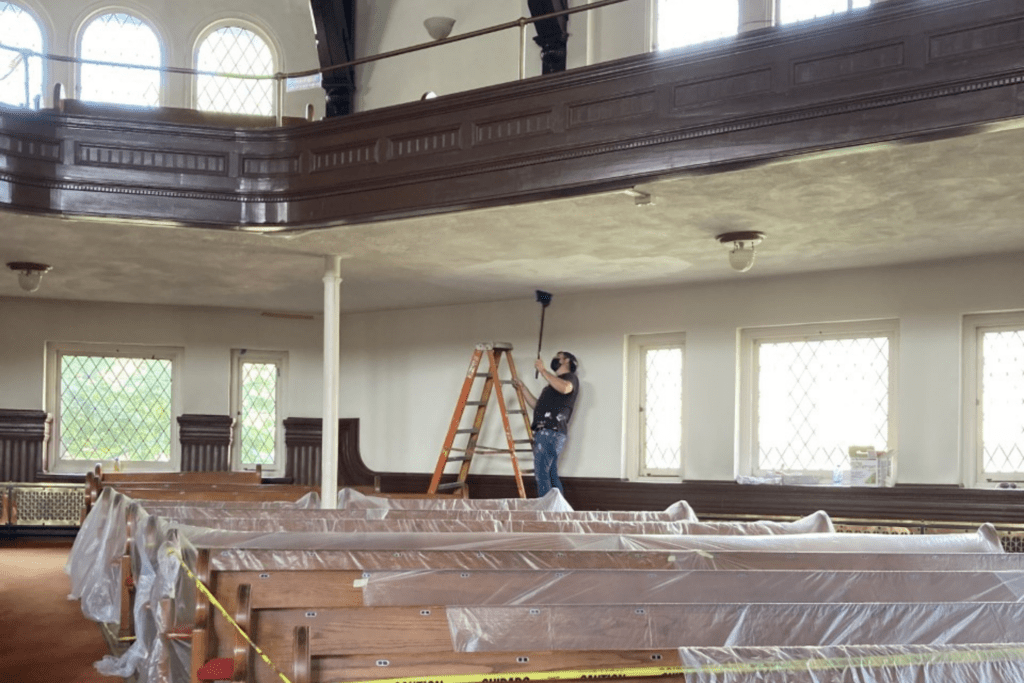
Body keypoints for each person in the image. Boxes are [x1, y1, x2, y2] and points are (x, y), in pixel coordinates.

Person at [512, 351, 580, 497]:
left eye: (558, 356)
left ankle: (546, 514)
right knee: (550, 474)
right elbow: (537, 406)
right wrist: (522, 388)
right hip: (547, 432)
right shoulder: (551, 386)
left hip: (550, 432)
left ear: (566, 360)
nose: (554, 358)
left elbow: (565, 387)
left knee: (542, 474)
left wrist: (543, 371)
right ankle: (558, 512)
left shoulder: (570, 378)